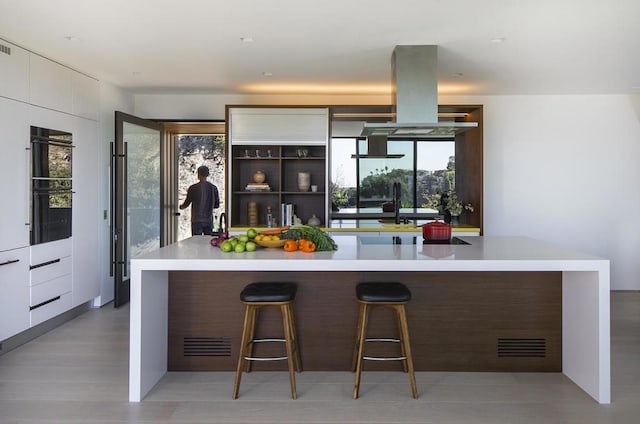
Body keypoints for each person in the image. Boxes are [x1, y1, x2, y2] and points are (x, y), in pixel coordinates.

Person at [180, 165, 220, 235]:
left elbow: (186, 203)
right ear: (208, 174)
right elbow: (217, 205)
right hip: (208, 219)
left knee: (196, 242)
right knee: (208, 242)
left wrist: (180, 207)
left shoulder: (193, 188)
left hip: (196, 220)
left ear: (198, 174)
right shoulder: (213, 188)